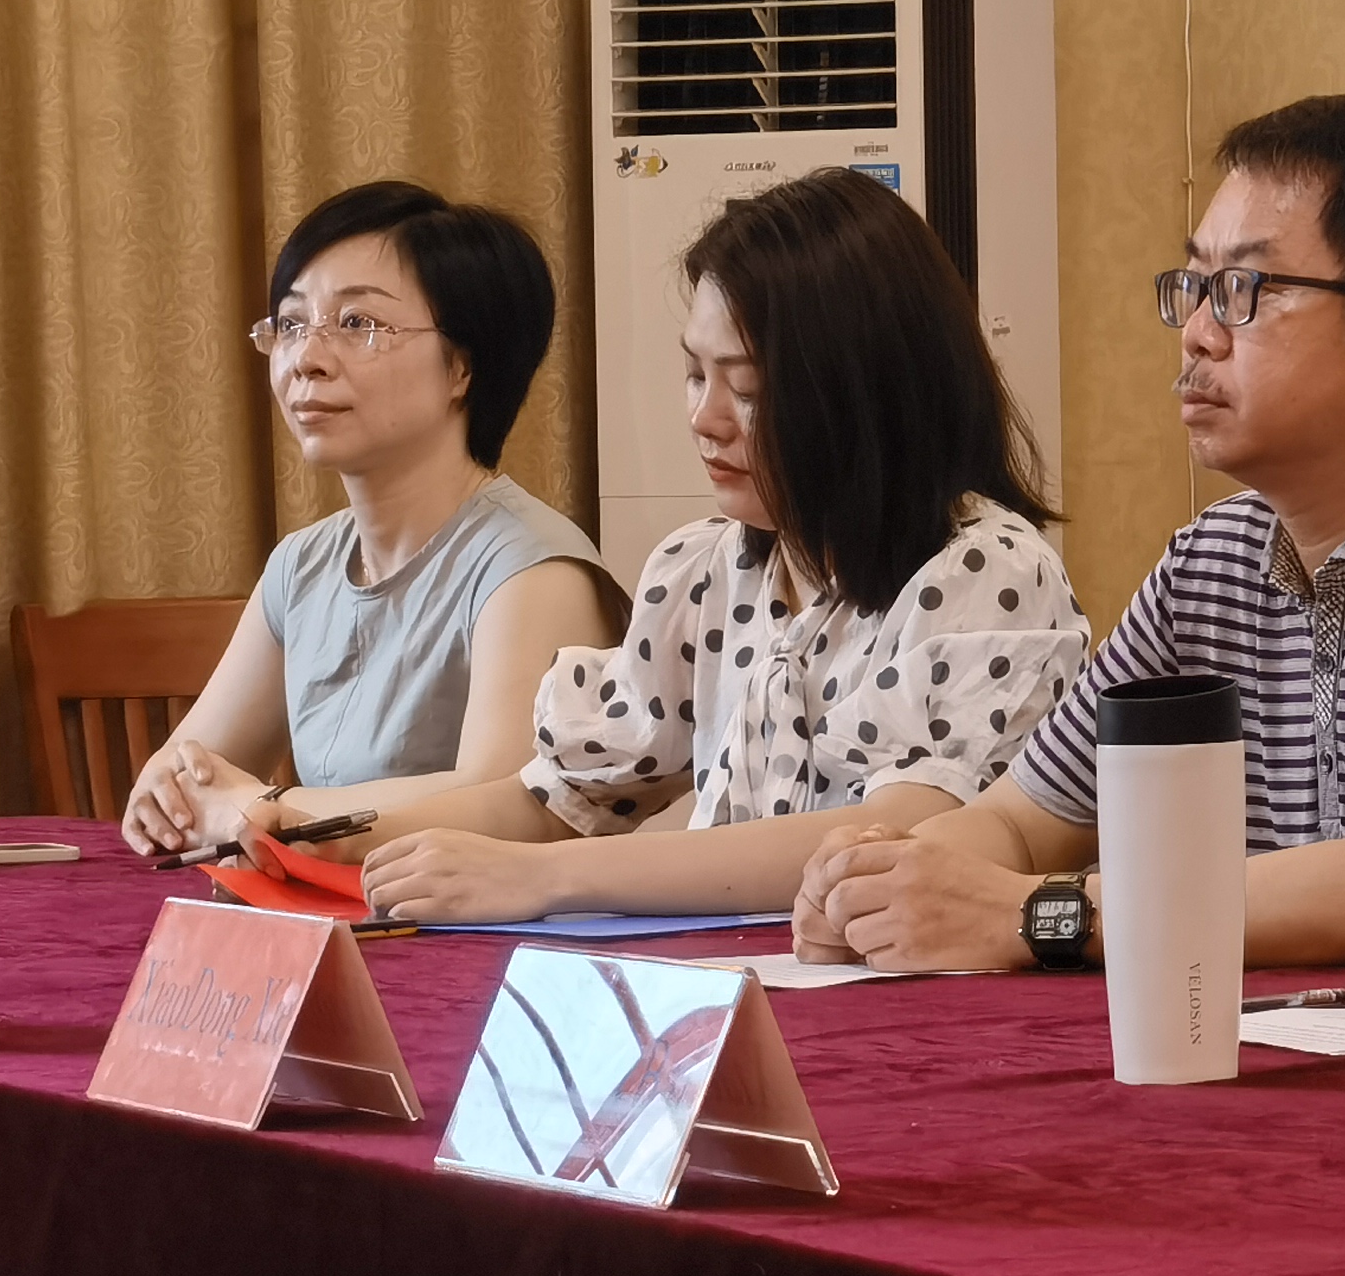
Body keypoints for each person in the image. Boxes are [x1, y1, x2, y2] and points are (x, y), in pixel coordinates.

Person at [794, 92, 1345, 973]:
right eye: (1194, 287)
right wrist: (883, 885)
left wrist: (1034, 915)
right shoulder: (1212, 558)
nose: (1196, 334)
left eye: (1242, 290)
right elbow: (1022, 823)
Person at [333, 167, 1091, 924]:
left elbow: (892, 833)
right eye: (695, 374)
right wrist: (330, 835)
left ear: (866, 395)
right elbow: (558, 798)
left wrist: (544, 877)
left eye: (748, 388)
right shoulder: (705, 570)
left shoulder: (986, 570)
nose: (705, 418)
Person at [124, 183, 617, 856]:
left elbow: (507, 804)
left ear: (462, 366)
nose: (307, 359)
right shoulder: (301, 566)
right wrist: (167, 796)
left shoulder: (533, 570)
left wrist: (268, 809)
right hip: (332, 905)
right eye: (291, 324)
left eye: (358, 324)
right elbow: (188, 778)